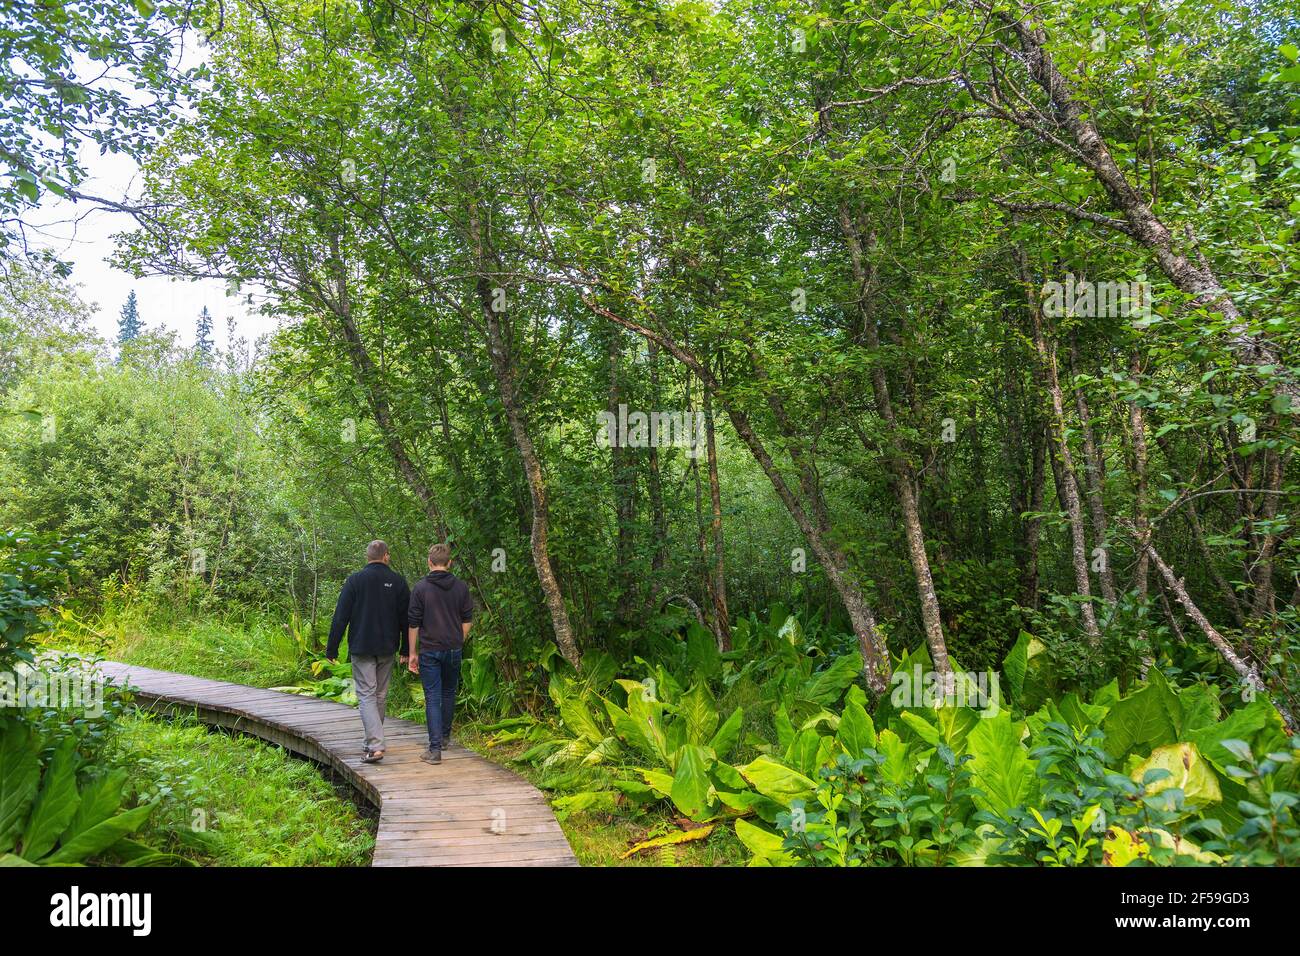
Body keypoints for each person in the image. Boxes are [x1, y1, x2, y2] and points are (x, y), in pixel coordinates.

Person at [326, 540, 410, 763]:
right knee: (379, 695)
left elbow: (341, 616)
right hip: (387, 647)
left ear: (367, 557)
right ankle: (372, 741)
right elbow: (406, 619)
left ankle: (375, 745)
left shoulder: (355, 580)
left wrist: (331, 648)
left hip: (362, 646)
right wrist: (406, 648)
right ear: (386, 557)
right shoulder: (398, 581)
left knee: (366, 694)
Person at [407, 542, 473, 765]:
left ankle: (434, 750)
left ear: (429, 562)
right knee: (448, 692)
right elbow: (467, 620)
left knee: (433, 697)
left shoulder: (420, 588)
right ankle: (444, 738)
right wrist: (458, 639)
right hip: (453, 648)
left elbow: (413, 623)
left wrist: (412, 652)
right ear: (450, 563)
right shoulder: (461, 587)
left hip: (430, 650)